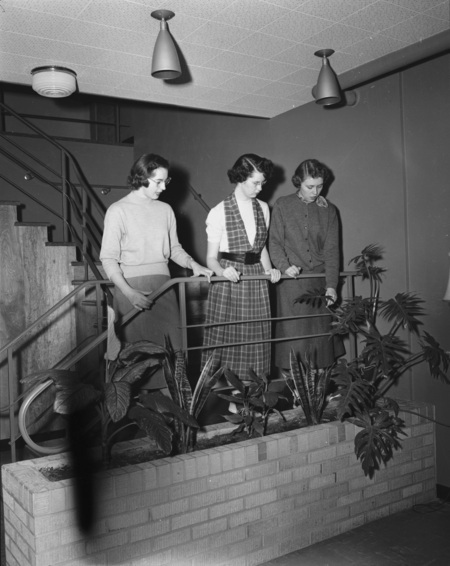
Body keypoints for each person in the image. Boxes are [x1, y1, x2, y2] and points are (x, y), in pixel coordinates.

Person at [100, 153, 213, 387]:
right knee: (136, 360)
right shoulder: (118, 210)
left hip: (164, 288)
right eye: (158, 181)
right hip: (131, 290)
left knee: (173, 353)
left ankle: (172, 414)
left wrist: (194, 264)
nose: (163, 187)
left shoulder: (165, 210)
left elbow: (174, 249)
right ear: (141, 177)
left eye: (166, 181)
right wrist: (129, 293)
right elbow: (108, 259)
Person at [201, 153, 281, 380]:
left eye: (263, 183)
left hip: (256, 279)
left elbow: (261, 248)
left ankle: (250, 396)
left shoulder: (264, 208)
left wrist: (269, 270)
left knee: (257, 338)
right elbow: (210, 259)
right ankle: (230, 394)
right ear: (240, 177)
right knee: (231, 339)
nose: (260, 188)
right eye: (255, 182)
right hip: (230, 278)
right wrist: (221, 271)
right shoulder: (218, 212)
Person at [269, 158, 344, 371]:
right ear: (298, 182)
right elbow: (274, 242)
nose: (315, 191)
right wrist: (284, 266)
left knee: (321, 342)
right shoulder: (283, 205)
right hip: (291, 282)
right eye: (309, 186)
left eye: (320, 186)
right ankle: (297, 394)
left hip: (319, 283)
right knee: (294, 340)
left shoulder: (329, 210)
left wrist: (331, 285)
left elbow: (331, 251)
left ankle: (319, 393)